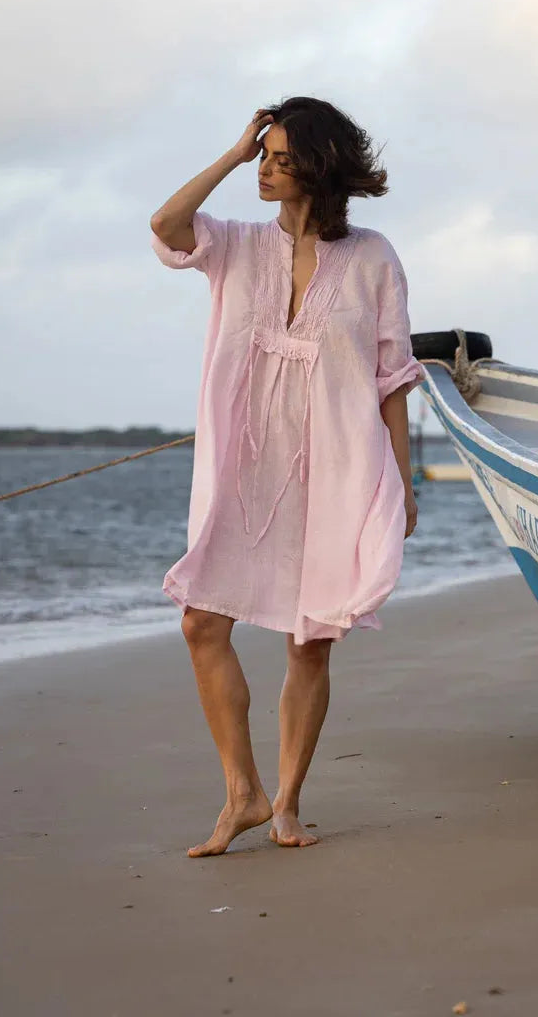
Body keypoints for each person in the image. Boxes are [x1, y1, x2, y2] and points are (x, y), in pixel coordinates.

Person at [150, 96, 426, 856]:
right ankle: (241, 792)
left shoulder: (373, 258)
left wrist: (403, 483)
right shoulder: (236, 245)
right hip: (242, 469)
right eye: (262, 157)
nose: (264, 170)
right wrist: (233, 151)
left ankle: (287, 805)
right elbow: (166, 225)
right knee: (202, 620)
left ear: (318, 164)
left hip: (338, 466)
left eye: (278, 158)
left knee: (312, 639)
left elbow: (392, 378)